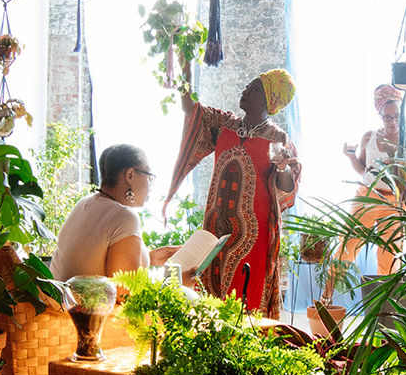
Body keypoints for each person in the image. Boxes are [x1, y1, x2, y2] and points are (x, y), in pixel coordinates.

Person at [166, 70, 303, 313]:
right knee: (208, 298)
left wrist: (282, 166)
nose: (245, 91)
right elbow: (190, 107)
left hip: (253, 238)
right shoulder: (224, 125)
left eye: (254, 89)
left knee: (246, 300)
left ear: (268, 101)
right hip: (214, 230)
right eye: (247, 87)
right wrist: (184, 62)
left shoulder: (278, 138)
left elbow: (288, 188)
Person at [325, 84, 406, 298]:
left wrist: (396, 161)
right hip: (367, 196)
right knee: (347, 246)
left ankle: (384, 307)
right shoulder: (369, 136)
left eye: (396, 116)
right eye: (387, 117)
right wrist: (351, 157)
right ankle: (327, 297)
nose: (392, 121)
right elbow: (362, 168)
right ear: (379, 115)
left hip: (395, 202)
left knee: (389, 256)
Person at [51, 144, 163, 282]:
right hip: (87, 303)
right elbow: (125, 294)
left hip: (58, 302)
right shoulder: (124, 216)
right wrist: (174, 282)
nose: (151, 186)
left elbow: (93, 259)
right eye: (149, 177)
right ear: (130, 175)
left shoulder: (84, 204)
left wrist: (150, 258)